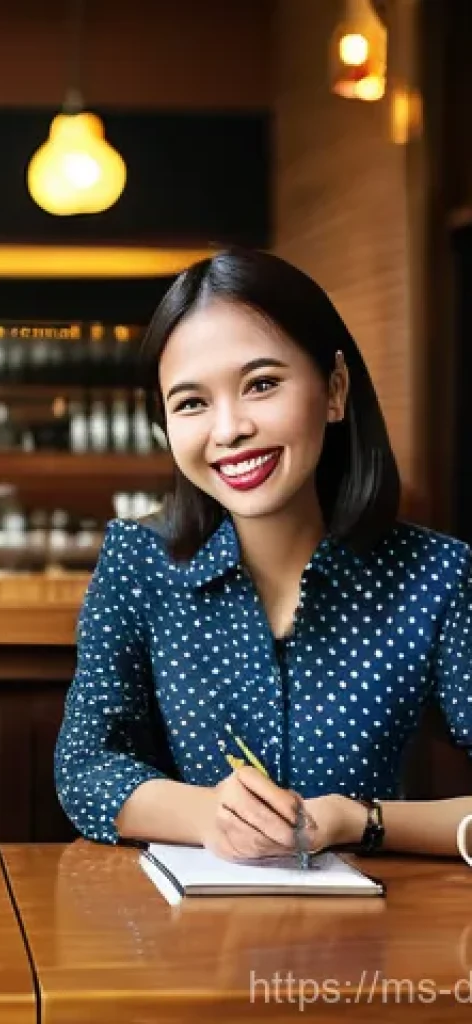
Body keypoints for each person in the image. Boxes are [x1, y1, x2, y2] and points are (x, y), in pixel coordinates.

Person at [55, 248, 472, 862]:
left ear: (334, 389)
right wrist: (206, 814)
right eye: (191, 402)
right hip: (182, 939)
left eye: (262, 385)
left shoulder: (435, 576)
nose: (228, 430)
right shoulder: (138, 563)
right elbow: (84, 769)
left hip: (374, 940)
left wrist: (355, 819)